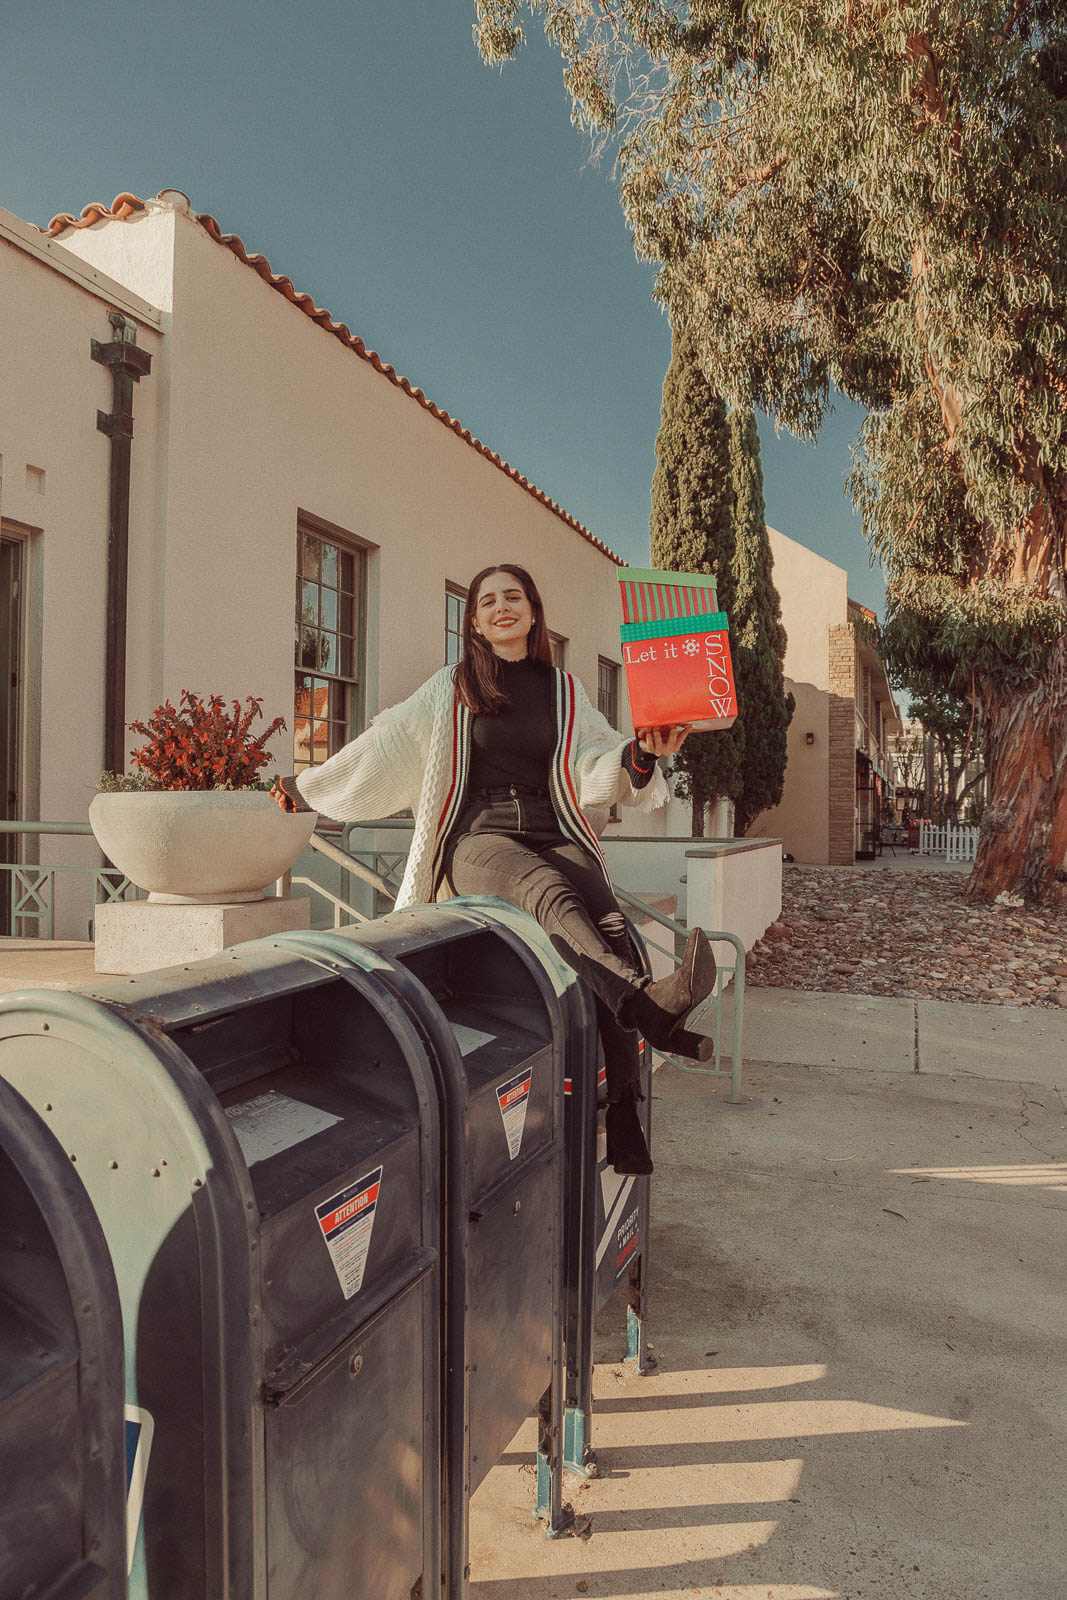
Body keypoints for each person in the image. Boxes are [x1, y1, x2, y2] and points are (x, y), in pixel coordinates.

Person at [272, 563, 717, 1175]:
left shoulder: (565, 691)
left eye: (514, 597)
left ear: (533, 612)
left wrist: (641, 754)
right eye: (488, 601)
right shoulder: (451, 686)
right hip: (478, 836)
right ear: (474, 621)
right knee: (550, 891)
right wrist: (309, 785)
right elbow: (388, 744)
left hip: (551, 826)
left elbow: (595, 757)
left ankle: (624, 1108)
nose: (501, 607)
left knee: (614, 923)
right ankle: (647, 1011)